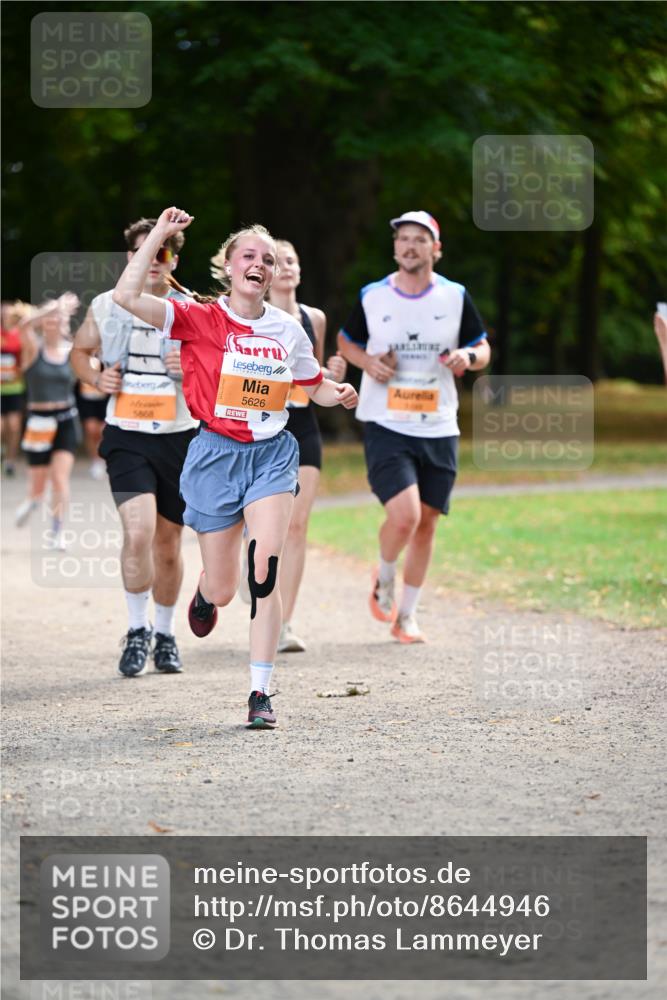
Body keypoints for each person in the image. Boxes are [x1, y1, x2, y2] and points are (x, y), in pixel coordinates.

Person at [112, 206, 358, 729]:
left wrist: (339, 393)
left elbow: (312, 385)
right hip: (215, 456)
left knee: (264, 566)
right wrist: (159, 234)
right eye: (249, 255)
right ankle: (205, 592)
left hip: (272, 454)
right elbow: (126, 298)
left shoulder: (288, 329)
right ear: (228, 265)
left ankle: (260, 691)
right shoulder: (197, 317)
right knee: (225, 588)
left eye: (268, 259)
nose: (261, 264)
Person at [337, 210, 491, 643]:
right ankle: (384, 576)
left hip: (439, 423)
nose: (409, 246)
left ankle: (406, 616)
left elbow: (481, 347)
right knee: (403, 516)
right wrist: (366, 362)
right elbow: (346, 341)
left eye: (419, 239)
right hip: (387, 420)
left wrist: (468, 358)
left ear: (435, 249)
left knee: (427, 521)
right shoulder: (373, 295)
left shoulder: (455, 296)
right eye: (402, 239)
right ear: (394, 249)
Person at [71, 218, 198, 678]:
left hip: (180, 438)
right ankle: (136, 629)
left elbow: (224, 373)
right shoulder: (107, 305)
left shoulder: (193, 310)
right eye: (144, 252)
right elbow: (80, 353)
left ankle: (164, 633)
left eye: (162, 252)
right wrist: (95, 376)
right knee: (138, 533)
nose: (153, 262)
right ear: (130, 259)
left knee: (168, 545)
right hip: (126, 436)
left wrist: (190, 370)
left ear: (174, 260)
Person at [239, 238, 346, 653]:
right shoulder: (250, 315)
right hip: (257, 426)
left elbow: (311, 373)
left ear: (299, 269)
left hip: (301, 424)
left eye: (291, 260)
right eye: (276, 260)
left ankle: (284, 624)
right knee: (257, 529)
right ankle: (255, 577)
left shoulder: (312, 318)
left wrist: (331, 373)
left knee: (297, 526)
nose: (284, 266)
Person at [14, 293, 81, 550]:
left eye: (59, 318)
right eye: (50, 318)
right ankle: (32, 500)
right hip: (39, 422)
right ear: (43, 322)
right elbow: (23, 325)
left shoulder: (70, 350)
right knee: (38, 484)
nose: (55, 322)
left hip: (66, 419)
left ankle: (57, 531)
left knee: (60, 478)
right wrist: (55, 306)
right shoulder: (33, 349)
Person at [1, 300, 29, 477]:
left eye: (10, 313)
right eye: (3, 313)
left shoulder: (21, 334)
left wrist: (20, 369)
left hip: (15, 388)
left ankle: (10, 460)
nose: (6, 315)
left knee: (14, 425)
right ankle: (3, 448)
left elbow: (27, 357)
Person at [75, 358, 109, 479]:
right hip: (86, 399)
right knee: (90, 429)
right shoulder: (80, 354)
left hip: (105, 398)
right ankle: (95, 460)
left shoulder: (106, 354)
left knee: (102, 431)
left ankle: (102, 459)